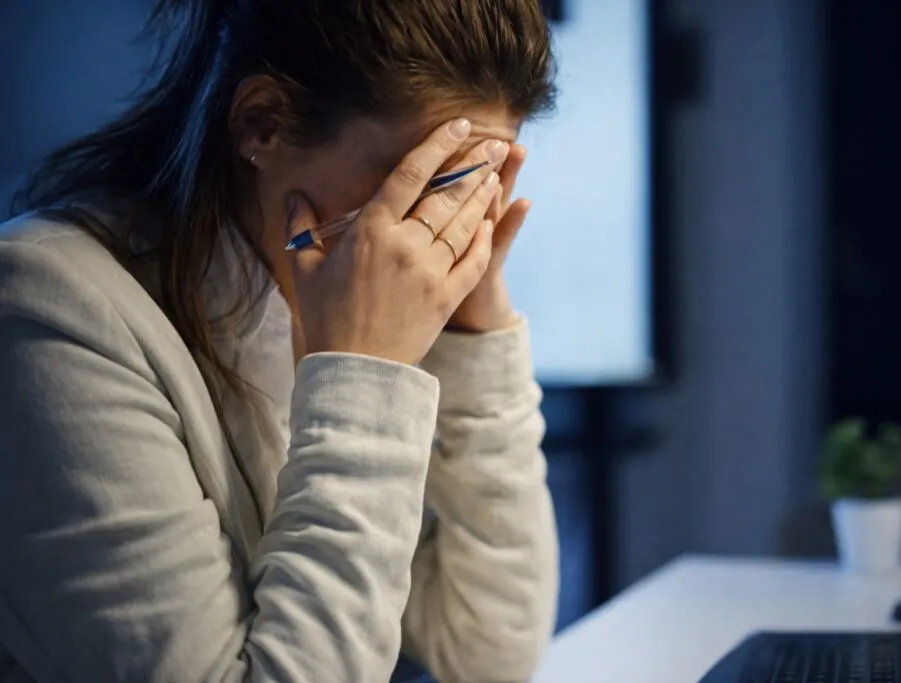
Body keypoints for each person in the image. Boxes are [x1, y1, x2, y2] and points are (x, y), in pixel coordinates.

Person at [0, 0, 559, 681]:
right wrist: (362, 380)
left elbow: (486, 653)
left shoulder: (338, 297)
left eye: (473, 184)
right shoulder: (47, 306)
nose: (444, 226)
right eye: (421, 180)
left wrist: (477, 328)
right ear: (262, 121)